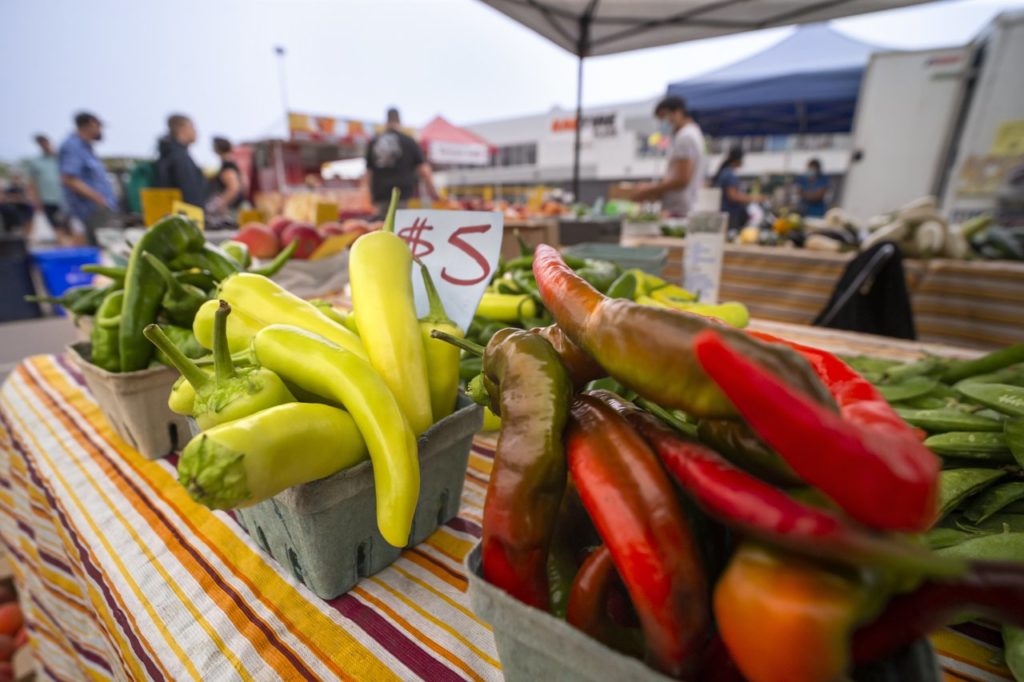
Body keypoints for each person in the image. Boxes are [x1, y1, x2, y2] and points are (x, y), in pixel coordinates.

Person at [631, 96, 706, 217]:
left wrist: (649, 190)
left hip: (680, 210)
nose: (663, 123)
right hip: (684, 207)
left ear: (678, 113)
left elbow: (682, 179)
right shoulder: (692, 133)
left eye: (664, 117)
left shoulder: (685, 137)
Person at [58, 111, 118, 244]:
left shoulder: (86, 147)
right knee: (103, 246)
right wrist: (99, 199)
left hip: (97, 207)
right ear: (92, 123)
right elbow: (68, 178)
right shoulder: (73, 146)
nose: (100, 131)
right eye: (99, 126)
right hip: (91, 209)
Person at [364, 108, 437, 214]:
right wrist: (434, 193)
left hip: (380, 198)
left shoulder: (374, 142)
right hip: (403, 197)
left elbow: (368, 173)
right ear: (399, 121)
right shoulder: (409, 141)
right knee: (401, 228)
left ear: (386, 121)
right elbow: (424, 170)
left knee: (381, 226)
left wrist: (368, 197)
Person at [155, 114, 206, 207]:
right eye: (192, 127)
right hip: (184, 217)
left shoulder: (168, 153)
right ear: (181, 129)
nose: (195, 131)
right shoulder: (179, 157)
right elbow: (191, 195)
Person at [712, 147, 763, 233]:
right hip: (730, 216)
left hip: (723, 214)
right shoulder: (729, 175)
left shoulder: (724, 172)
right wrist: (754, 198)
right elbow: (733, 196)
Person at [24, 135, 67, 233]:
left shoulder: (61, 158)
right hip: (48, 200)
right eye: (40, 143)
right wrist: (36, 200)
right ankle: (63, 246)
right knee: (57, 227)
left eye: (45, 142)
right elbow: (32, 183)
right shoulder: (35, 162)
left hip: (66, 200)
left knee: (70, 227)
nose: (44, 145)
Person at [207, 136, 245, 215]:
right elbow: (244, 183)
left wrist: (219, 204)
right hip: (239, 207)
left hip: (233, 210)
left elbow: (233, 189)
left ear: (217, 148)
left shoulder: (227, 166)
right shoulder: (233, 164)